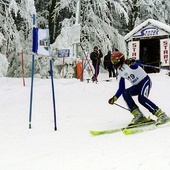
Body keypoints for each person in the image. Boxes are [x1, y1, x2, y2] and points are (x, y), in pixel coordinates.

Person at [108, 51, 169, 126]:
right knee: (125, 92)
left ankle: (162, 115)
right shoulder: (119, 71)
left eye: (115, 61)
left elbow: (139, 63)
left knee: (141, 99)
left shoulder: (129, 64)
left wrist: (132, 61)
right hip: (137, 85)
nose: (114, 63)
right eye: (112, 61)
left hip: (144, 81)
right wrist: (115, 98)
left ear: (120, 59)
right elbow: (121, 88)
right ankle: (139, 116)